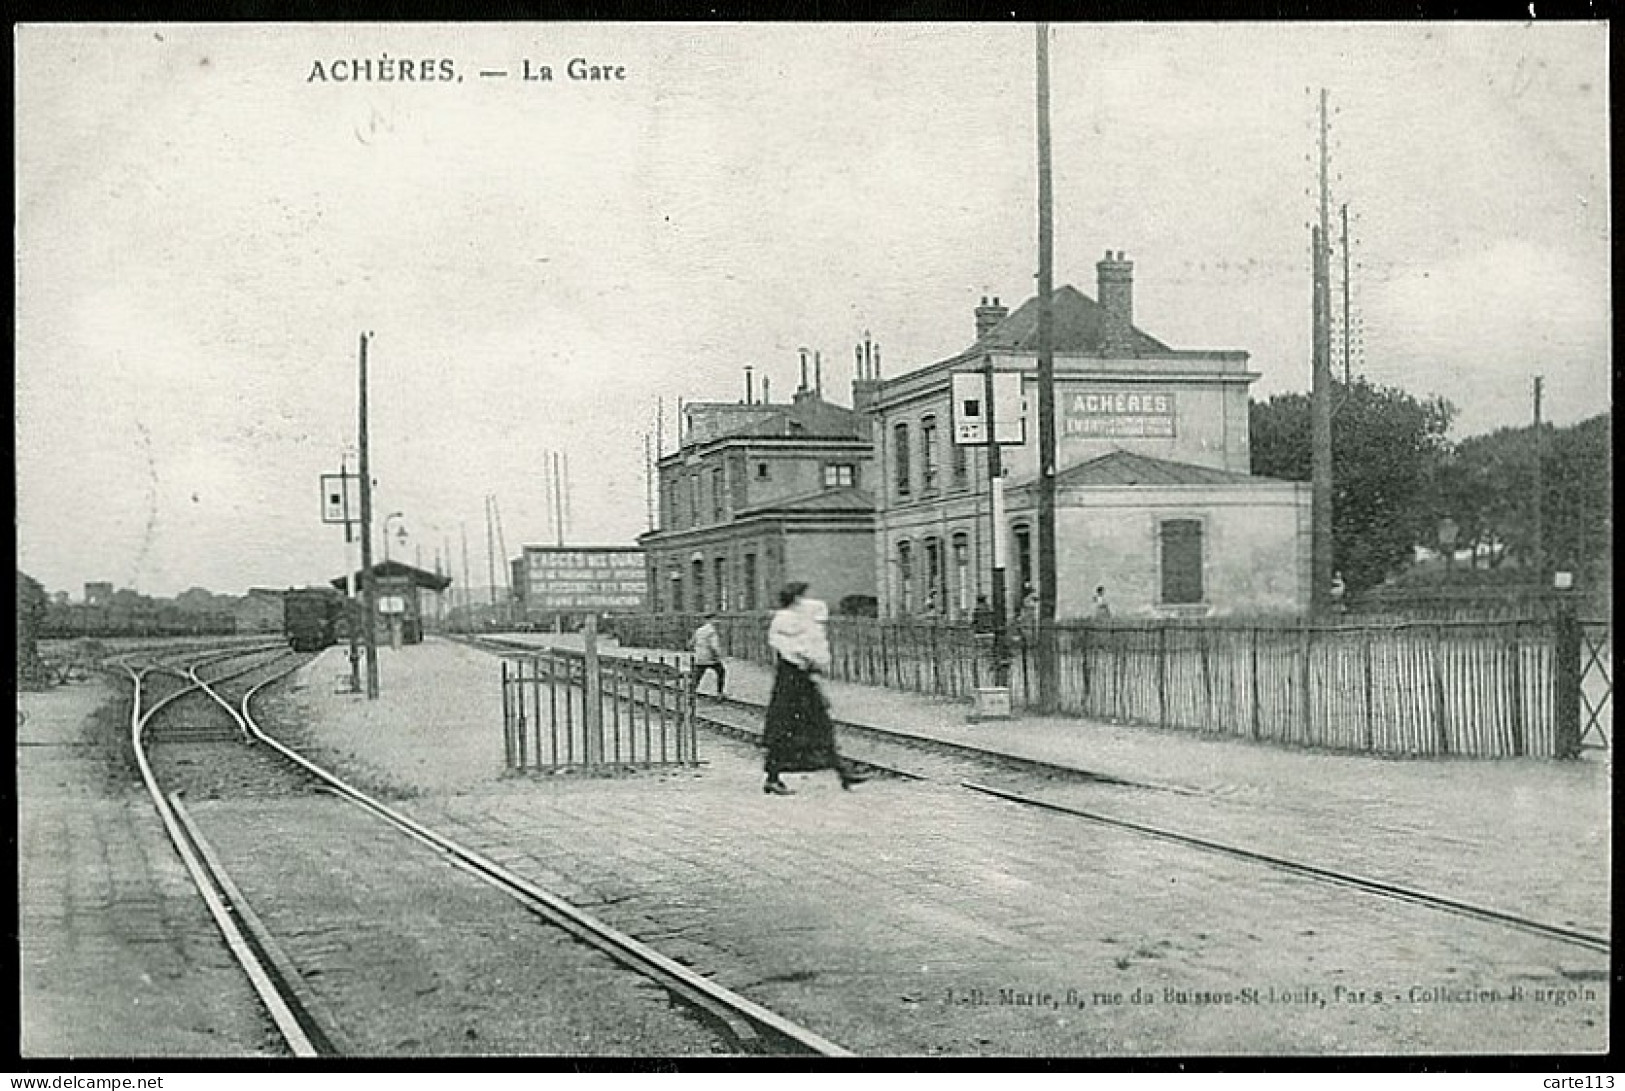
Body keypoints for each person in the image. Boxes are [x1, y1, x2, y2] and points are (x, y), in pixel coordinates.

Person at [761, 582, 866, 796]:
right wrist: (810, 660)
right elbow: (793, 651)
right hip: (790, 683)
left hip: (801, 681)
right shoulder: (784, 621)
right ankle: (773, 777)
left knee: (819, 726)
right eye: (801, 597)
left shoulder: (798, 619)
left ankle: (842, 771)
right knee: (786, 729)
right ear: (795, 599)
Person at [690, 613, 725, 696]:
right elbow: (714, 646)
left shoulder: (699, 630)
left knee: (697, 677)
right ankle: (719, 693)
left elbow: (691, 643)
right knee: (721, 672)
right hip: (711, 658)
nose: (717, 622)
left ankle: (690, 693)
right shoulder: (712, 631)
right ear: (711, 620)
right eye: (715, 620)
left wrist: (698, 649)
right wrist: (719, 655)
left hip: (700, 657)